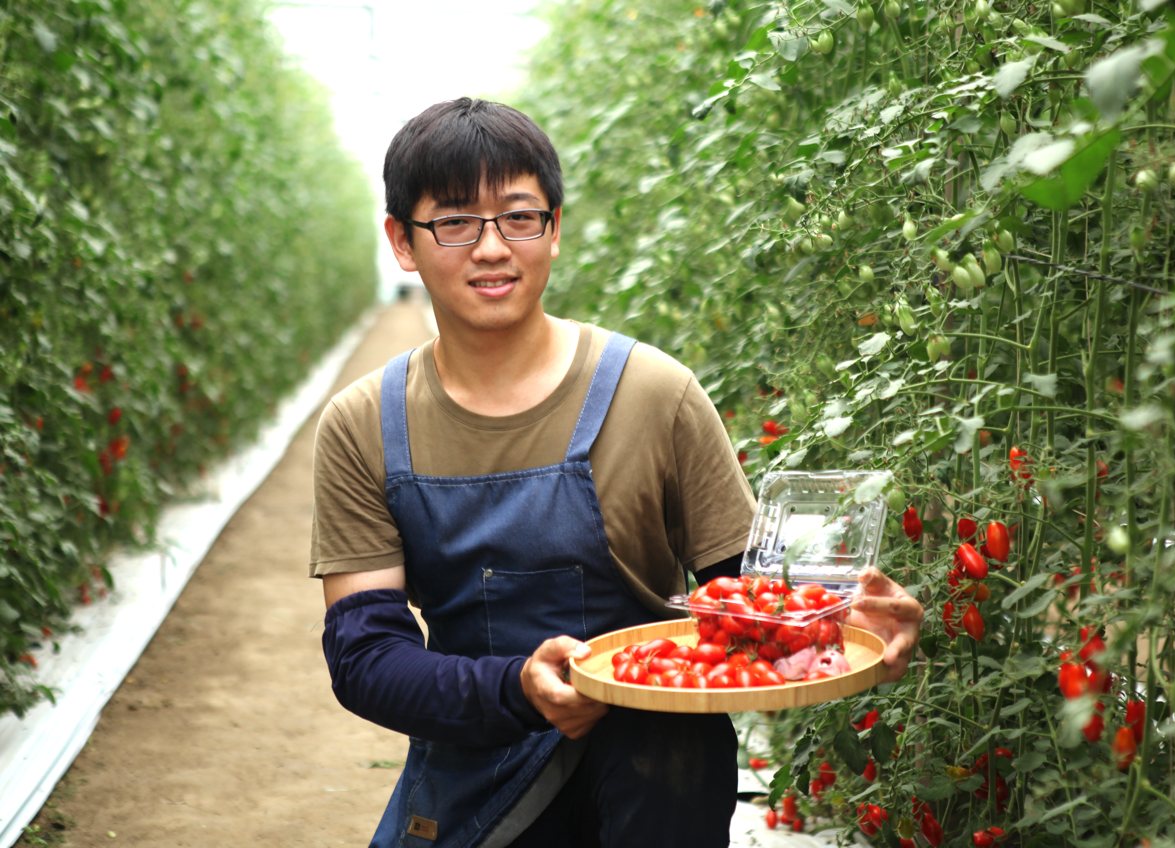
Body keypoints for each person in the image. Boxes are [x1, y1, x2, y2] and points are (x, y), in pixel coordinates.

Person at [310, 97, 924, 848]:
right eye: (456, 222)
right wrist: (516, 687)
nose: (493, 248)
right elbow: (367, 655)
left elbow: (757, 596)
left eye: (519, 217)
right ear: (402, 242)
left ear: (555, 228)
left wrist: (846, 626)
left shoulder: (654, 395)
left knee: (659, 756)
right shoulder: (366, 423)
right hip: (476, 757)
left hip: (657, 775)